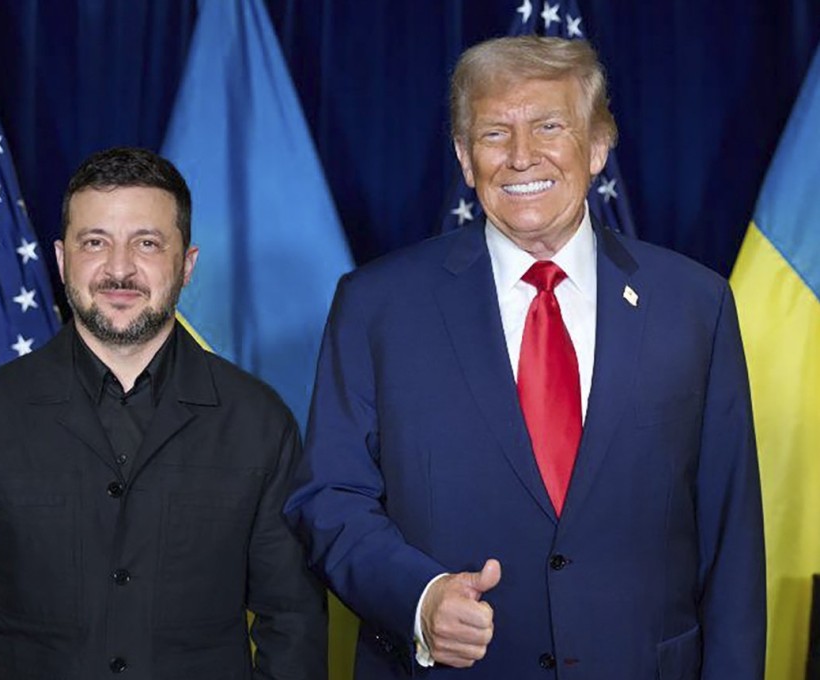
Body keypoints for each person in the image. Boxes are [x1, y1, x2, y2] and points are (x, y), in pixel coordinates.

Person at [284, 36, 765, 679]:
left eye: (549, 126)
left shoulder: (694, 304)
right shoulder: (376, 306)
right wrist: (420, 599)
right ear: (463, 157)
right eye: (492, 134)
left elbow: (733, 538)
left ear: (597, 146)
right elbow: (329, 498)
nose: (520, 157)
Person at [0, 147, 327, 679]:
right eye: (95, 243)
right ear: (61, 260)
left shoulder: (260, 423)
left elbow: (291, 622)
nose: (120, 269)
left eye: (146, 243)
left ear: (187, 264)